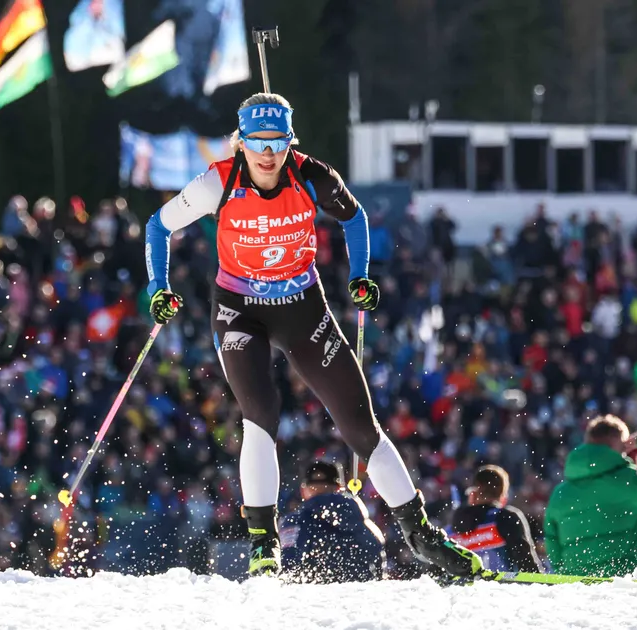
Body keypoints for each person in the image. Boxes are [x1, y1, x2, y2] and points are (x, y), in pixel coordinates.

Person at [143, 92, 480, 579]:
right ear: (241, 143)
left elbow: (355, 217)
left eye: (277, 142)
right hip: (240, 310)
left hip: (302, 306)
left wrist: (360, 275)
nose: (267, 153)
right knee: (261, 415)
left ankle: (422, 537)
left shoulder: (313, 175)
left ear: (288, 142)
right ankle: (263, 541)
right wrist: (159, 286)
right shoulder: (218, 181)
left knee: (360, 426)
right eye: (256, 142)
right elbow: (158, 226)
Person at [544, 415, 637, 578]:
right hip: (627, 583)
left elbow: (552, 544)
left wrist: (566, 573)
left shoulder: (559, 494)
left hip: (578, 585)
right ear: (619, 443)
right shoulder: (633, 482)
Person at [281, 461, 385, 583]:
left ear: (303, 490)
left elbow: (288, 563)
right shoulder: (363, 520)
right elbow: (378, 561)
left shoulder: (296, 520)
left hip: (316, 595)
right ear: (339, 487)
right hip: (360, 593)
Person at [448, 465, 541, 573]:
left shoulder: (451, 529)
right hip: (499, 588)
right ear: (503, 495)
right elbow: (527, 564)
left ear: (473, 492)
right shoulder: (507, 517)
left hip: (459, 588)